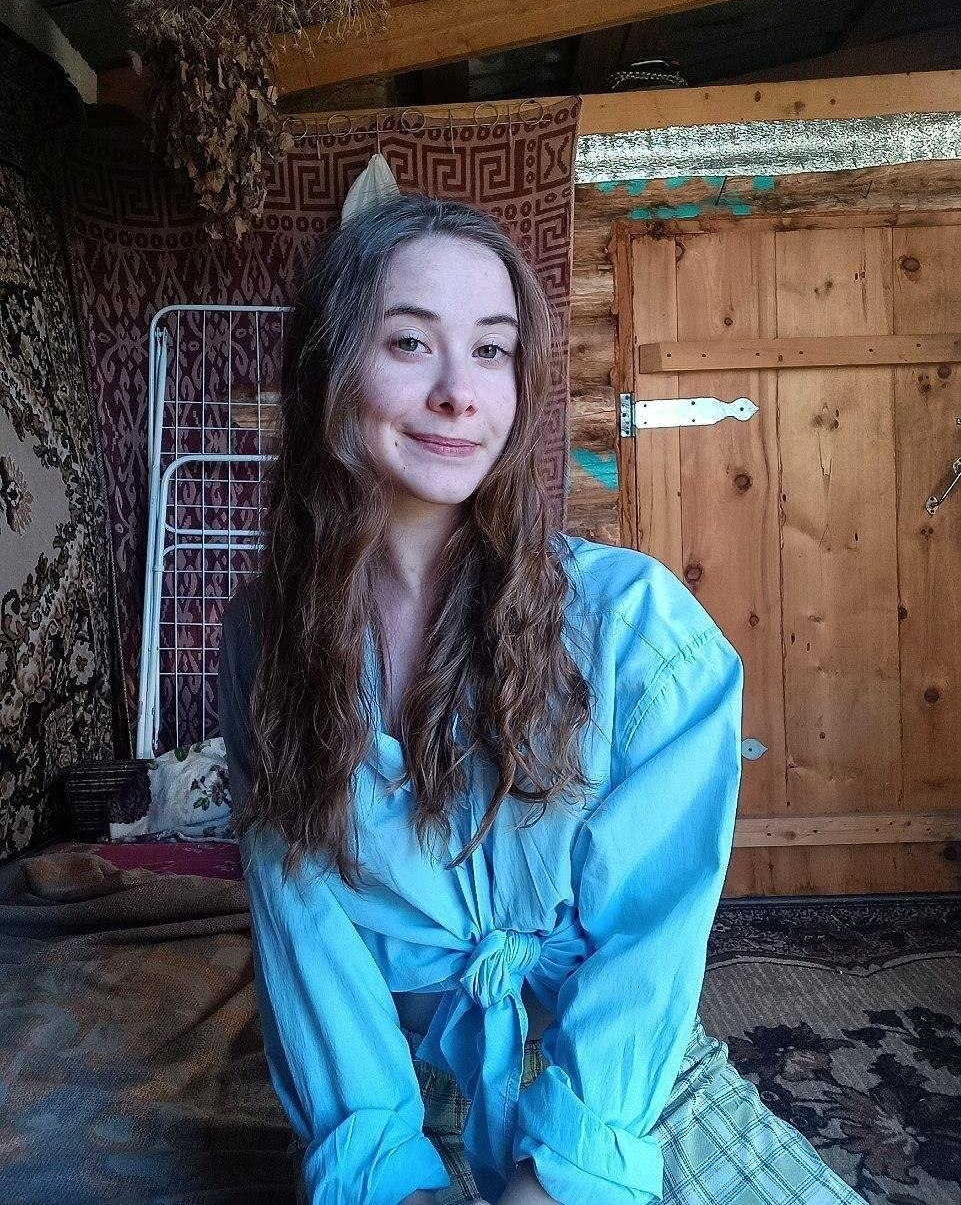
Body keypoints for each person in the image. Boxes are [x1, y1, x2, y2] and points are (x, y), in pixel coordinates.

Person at [216, 190, 867, 1205]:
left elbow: (649, 944)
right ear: (327, 369)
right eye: (408, 342)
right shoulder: (264, 637)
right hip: (396, 1078)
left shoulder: (638, 633)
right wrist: (379, 1164)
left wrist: (557, 1179)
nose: (457, 393)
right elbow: (299, 924)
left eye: (491, 350)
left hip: (610, 1078)